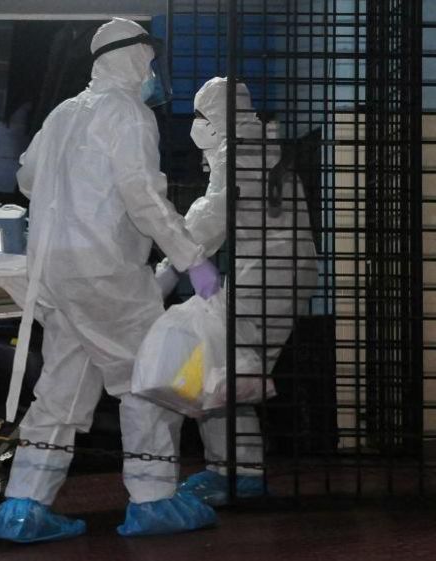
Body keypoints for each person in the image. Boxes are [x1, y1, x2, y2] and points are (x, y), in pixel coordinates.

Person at [0, 18, 221, 544]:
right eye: (149, 61)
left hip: (55, 274)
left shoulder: (63, 113)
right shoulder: (129, 115)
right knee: (149, 382)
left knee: (60, 393)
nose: (153, 73)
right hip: (108, 274)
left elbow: (26, 177)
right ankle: (154, 499)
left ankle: (22, 507)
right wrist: (190, 258)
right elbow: (143, 199)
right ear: (134, 58)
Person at [152, 77, 318, 507]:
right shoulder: (256, 146)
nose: (194, 126)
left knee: (219, 371)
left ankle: (239, 473)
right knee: (224, 371)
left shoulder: (240, 152)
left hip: (270, 273)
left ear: (215, 118)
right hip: (270, 271)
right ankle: (228, 469)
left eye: (199, 116)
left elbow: (212, 215)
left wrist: (172, 266)